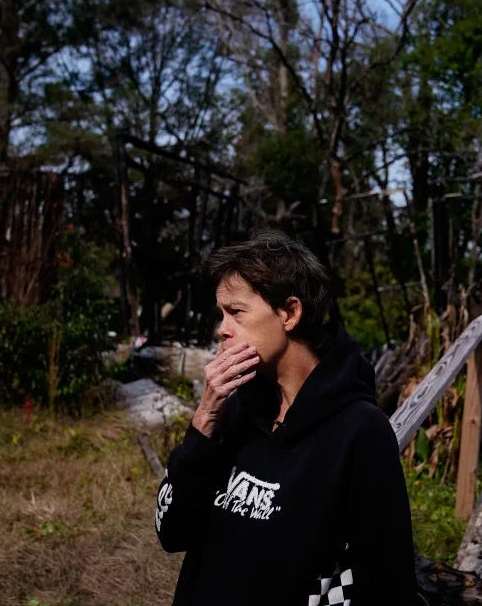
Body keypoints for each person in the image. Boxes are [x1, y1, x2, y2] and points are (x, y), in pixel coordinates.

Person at [155, 230, 417, 605]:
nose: (221, 328)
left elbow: (386, 580)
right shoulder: (236, 411)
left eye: (236, 312)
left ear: (290, 313)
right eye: (221, 314)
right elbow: (171, 531)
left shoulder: (359, 431)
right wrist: (205, 419)